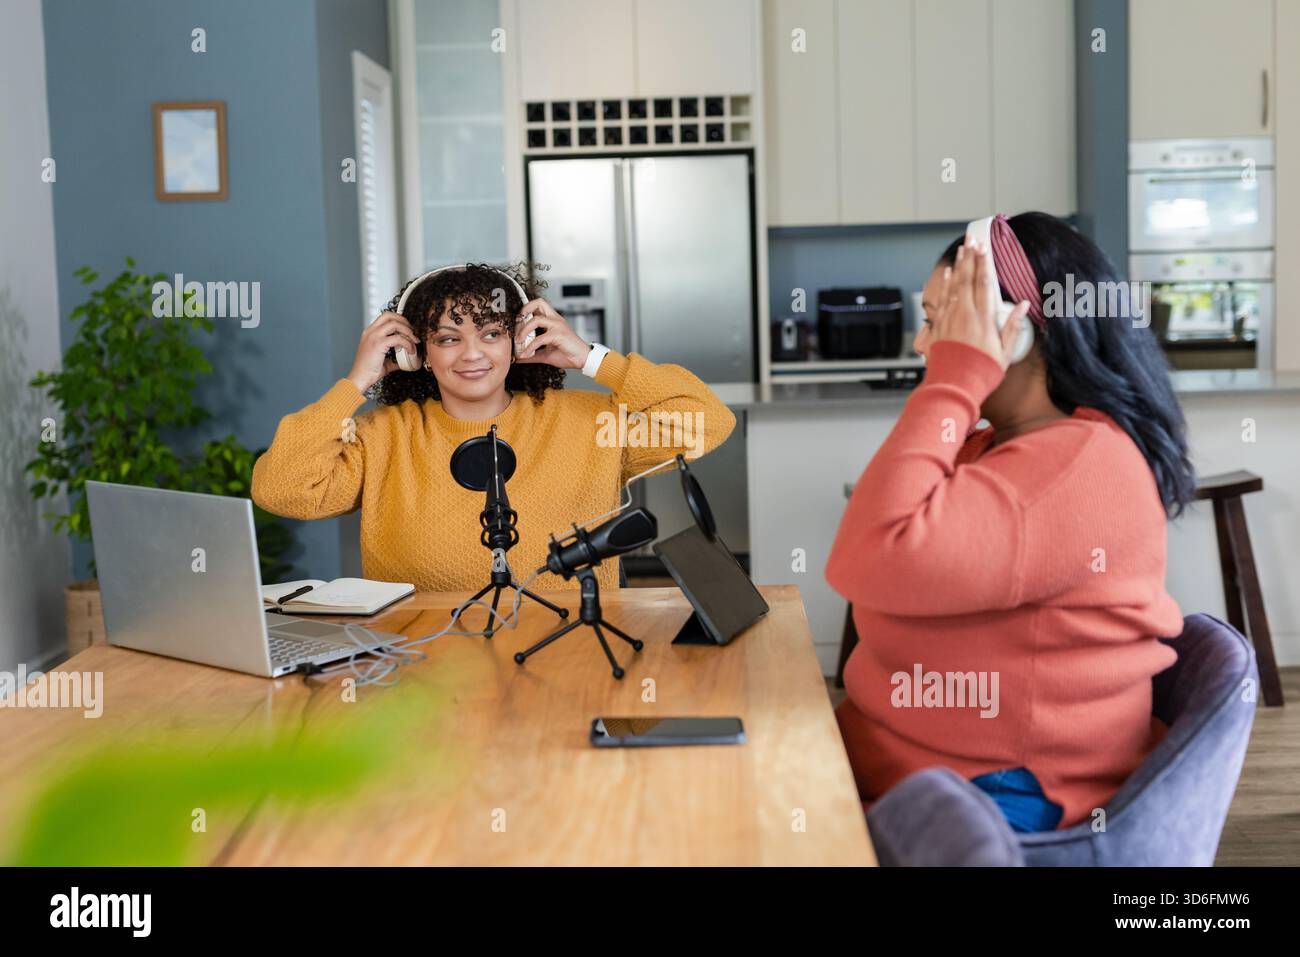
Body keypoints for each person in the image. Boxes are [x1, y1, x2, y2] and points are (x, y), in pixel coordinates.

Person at [826, 213, 1195, 832]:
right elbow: (888, 525)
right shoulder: (1000, 445)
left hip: (995, 797)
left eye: (938, 322)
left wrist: (955, 377)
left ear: (1015, 331)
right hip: (925, 767)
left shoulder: (1076, 466)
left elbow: (866, 554)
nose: (922, 345)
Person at [252, 262, 734, 594]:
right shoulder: (383, 437)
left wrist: (590, 358)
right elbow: (281, 490)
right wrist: (356, 382)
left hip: (570, 650)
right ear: (416, 353)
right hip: (424, 664)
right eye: (448, 339)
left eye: (490, 333)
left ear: (520, 341)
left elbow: (707, 422)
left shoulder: (588, 423)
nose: (472, 354)